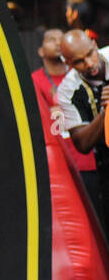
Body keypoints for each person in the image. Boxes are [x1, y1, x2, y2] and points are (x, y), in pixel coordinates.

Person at [32, 27, 99, 213]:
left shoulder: (84, 75)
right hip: (60, 161)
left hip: (91, 159)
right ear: (40, 51)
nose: (57, 43)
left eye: (60, 39)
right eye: (51, 39)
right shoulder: (35, 80)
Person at [56, 29, 109, 229]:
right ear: (68, 63)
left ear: (95, 45)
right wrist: (105, 113)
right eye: (79, 61)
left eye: (90, 54)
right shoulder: (68, 89)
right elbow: (83, 143)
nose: (89, 63)